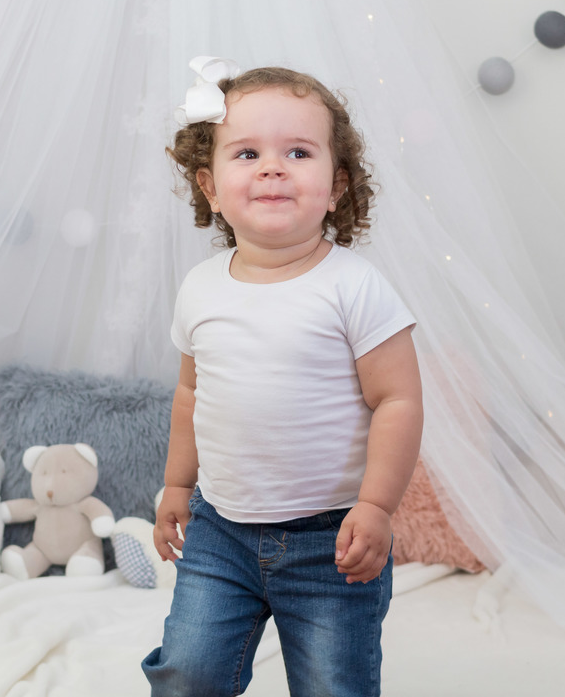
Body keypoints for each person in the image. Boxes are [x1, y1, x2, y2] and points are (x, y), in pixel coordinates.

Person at [141, 61, 424, 697]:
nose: (272, 167)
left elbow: (398, 400)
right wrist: (175, 484)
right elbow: (191, 394)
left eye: (298, 151)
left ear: (336, 185)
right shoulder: (201, 289)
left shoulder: (354, 288)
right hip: (219, 535)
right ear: (211, 188)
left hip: (332, 542)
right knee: (188, 674)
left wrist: (377, 506)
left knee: (334, 686)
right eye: (248, 153)